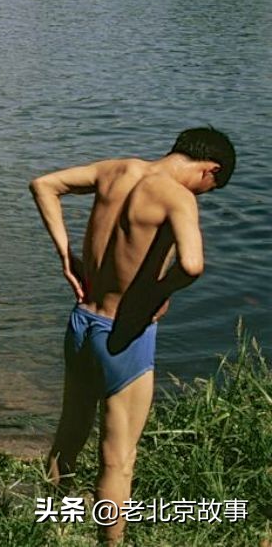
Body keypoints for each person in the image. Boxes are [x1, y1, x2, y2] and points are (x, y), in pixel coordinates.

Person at [29, 127, 236, 544]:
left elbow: (44, 185)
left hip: (83, 321)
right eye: (210, 188)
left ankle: (52, 528)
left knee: (69, 436)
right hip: (124, 333)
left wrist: (66, 255)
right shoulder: (177, 196)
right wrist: (155, 292)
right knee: (118, 458)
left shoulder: (115, 170)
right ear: (209, 170)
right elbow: (192, 265)